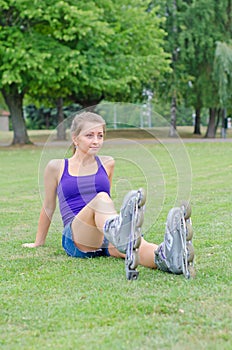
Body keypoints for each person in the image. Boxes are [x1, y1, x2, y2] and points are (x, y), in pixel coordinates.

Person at [23, 112, 195, 278]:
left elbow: (107, 205)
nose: (96, 141)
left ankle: (169, 257)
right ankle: (120, 232)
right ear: (75, 138)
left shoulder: (107, 163)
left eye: (100, 135)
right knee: (101, 199)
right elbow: (48, 206)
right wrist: (38, 242)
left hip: (104, 233)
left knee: (136, 246)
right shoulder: (57, 167)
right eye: (89, 135)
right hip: (77, 238)